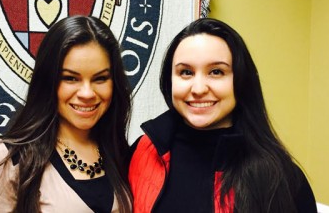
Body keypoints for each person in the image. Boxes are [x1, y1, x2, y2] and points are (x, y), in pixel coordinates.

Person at [128, 18, 317, 213]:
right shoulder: (142, 151)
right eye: (186, 72)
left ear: (241, 80)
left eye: (216, 72)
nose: (199, 88)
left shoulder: (283, 179)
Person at [0, 15, 132, 212]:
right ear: (48, 81)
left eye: (100, 79)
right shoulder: (11, 158)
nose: (87, 93)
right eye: (71, 78)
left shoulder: (119, 150)